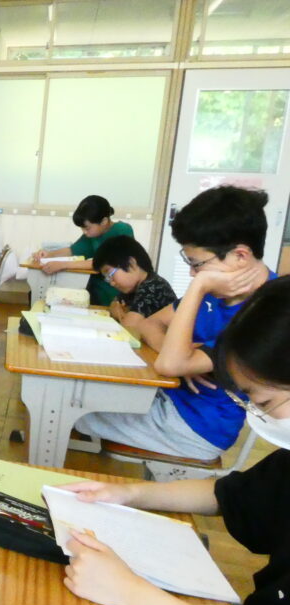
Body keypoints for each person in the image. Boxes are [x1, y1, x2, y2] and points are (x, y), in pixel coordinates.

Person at [60, 275, 290, 605]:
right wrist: (129, 493)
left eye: (265, 403)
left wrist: (130, 592)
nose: (259, 416)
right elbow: (226, 494)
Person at [75, 186, 274, 461]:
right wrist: (182, 357)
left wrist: (199, 286)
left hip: (195, 428)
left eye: (196, 264)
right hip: (168, 397)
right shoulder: (219, 292)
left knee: (74, 412)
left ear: (240, 255)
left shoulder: (266, 310)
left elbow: (169, 365)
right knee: (78, 400)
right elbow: (148, 325)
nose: (192, 273)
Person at [32, 195, 134, 305]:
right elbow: (73, 250)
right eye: (82, 228)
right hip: (94, 288)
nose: (84, 232)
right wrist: (49, 254)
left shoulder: (123, 230)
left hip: (115, 291)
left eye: (87, 228)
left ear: (104, 221)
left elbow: (103, 262)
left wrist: (62, 265)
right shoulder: (93, 234)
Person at [90, 234, 177, 336]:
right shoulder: (133, 287)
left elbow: (129, 328)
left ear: (131, 263)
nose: (112, 283)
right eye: (107, 278)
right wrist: (118, 311)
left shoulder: (153, 286)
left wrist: (123, 316)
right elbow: (114, 305)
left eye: (110, 275)